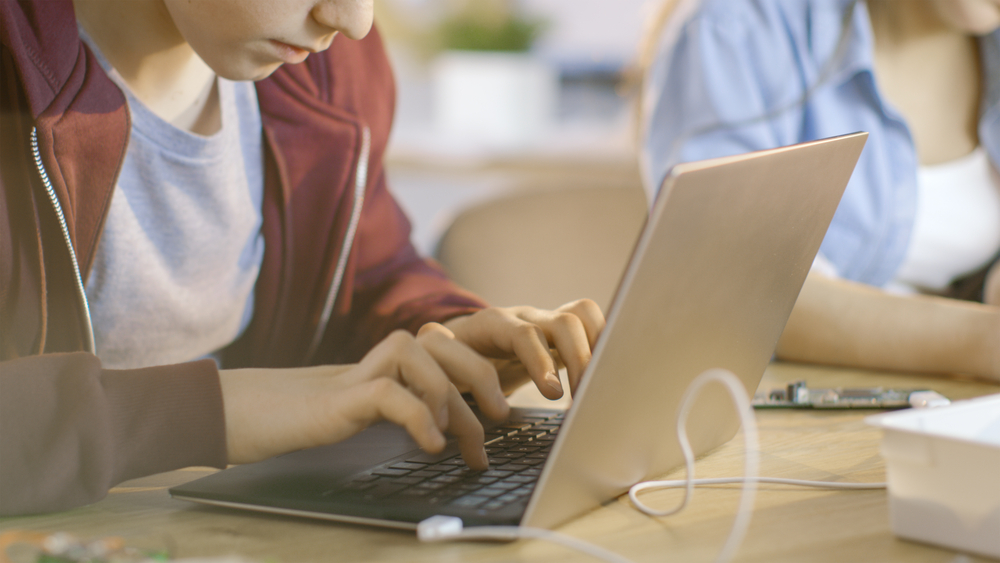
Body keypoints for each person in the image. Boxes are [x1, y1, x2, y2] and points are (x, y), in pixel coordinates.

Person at [0, 0, 604, 516]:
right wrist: (219, 413)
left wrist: (440, 335)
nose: (355, 21)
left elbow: (366, 274)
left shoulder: (326, 72)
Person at [642, 0, 1000, 381]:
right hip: (793, 414)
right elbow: (738, 291)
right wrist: (979, 340)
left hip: (951, 404)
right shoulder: (735, 26)